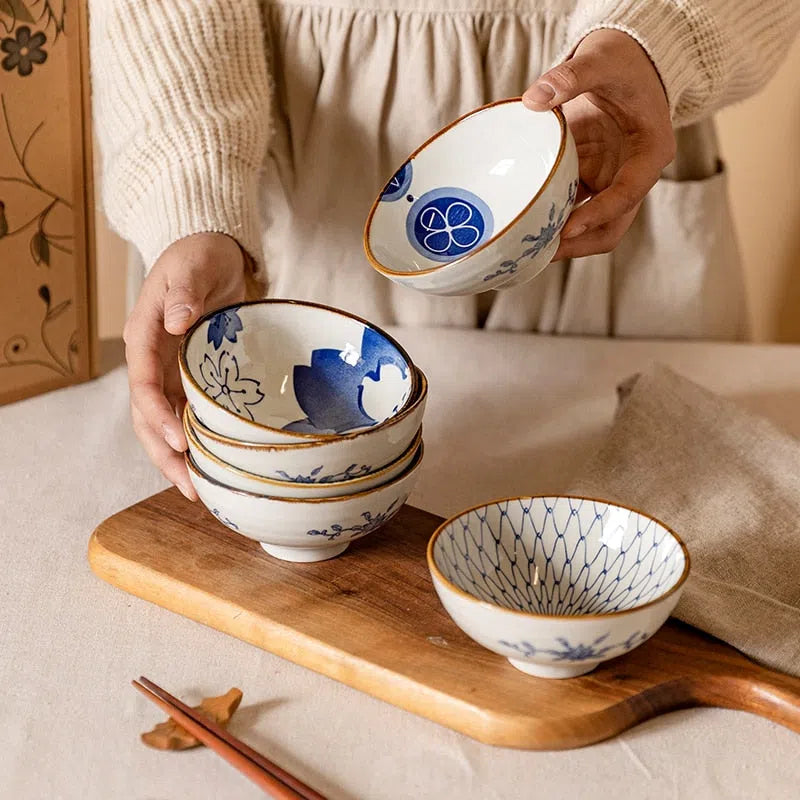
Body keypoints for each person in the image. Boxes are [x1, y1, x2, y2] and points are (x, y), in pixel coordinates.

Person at [90, 0, 799, 499]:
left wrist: (658, 37)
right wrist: (193, 193)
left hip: (606, 129)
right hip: (290, 180)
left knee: (671, 505)